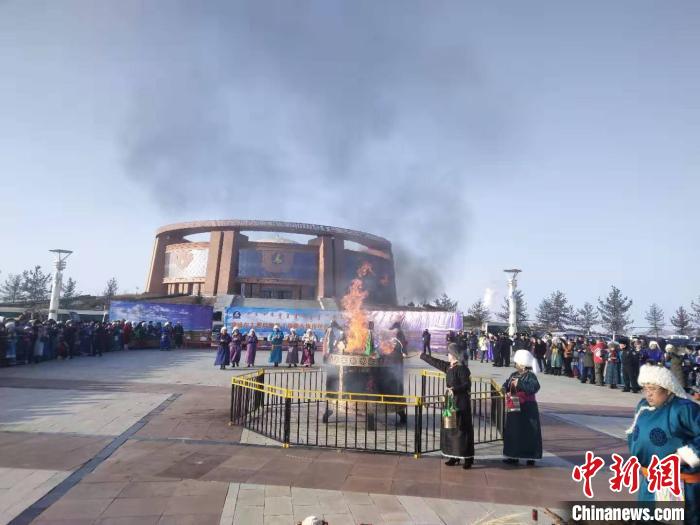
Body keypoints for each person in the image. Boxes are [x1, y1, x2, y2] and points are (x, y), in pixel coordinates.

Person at [626, 364, 700, 523]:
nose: (648, 394)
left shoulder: (684, 408)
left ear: (667, 389)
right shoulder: (643, 406)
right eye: (645, 389)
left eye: (653, 388)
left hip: (680, 485)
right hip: (649, 481)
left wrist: (685, 456)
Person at [420, 343, 474, 469]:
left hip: (461, 403)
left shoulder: (462, 369)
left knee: (462, 430)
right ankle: (453, 456)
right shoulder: (449, 367)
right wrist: (423, 356)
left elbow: (467, 385)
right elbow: (437, 363)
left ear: (455, 356)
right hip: (450, 402)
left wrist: (454, 389)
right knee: (450, 428)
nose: (448, 355)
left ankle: (467, 458)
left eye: (449, 353)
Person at [502, 349, 543, 466]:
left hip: (527, 408)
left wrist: (519, 384)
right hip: (514, 404)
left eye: (517, 362)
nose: (515, 365)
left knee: (529, 432)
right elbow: (506, 383)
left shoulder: (531, 376)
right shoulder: (513, 375)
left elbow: (534, 388)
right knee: (514, 430)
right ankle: (513, 455)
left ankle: (531, 456)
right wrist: (504, 388)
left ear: (523, 364)